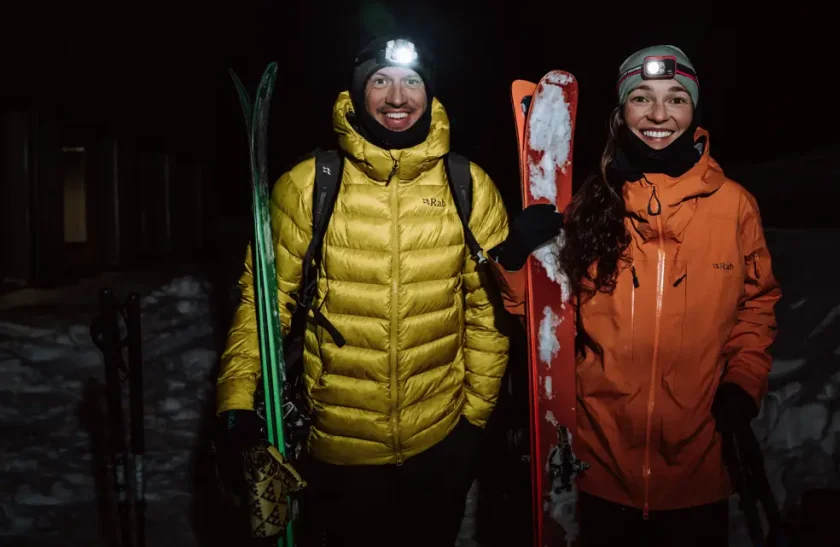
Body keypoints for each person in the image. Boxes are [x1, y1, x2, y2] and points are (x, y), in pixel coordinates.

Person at [213, 35, 563, 545]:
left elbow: (486, 313)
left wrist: (472, 423)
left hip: (439, 445)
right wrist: (235, 406)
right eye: (380, 81)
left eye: (411, 82)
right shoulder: (310, 185)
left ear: (429, 93)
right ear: (357, 93)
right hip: (338, 453)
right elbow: (262, 305)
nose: (397, 97)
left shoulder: (467, 185)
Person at [557, 44, 781, 545]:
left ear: (693, 111)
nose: (659, 115)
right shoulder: (591, 203)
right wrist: (515, 259)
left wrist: (743, 383)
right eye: (642, 98)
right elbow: (546, 314)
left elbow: (757, 305)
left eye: (676, 99)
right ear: (621, 112)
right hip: (602, 463)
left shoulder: (734, 206)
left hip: (699, 464)